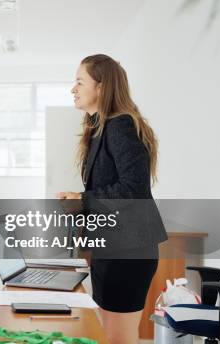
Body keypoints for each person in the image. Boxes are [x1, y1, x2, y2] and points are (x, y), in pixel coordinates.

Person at [58, 54, 167, 344]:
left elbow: (133, 190)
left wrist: (83, 198)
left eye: (80, 81)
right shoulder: (101, 127)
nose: (73, 89)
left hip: (129, 251)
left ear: (102, 87)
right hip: (115, 247)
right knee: (108, 333)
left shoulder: (121, 125)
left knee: (118, 337)